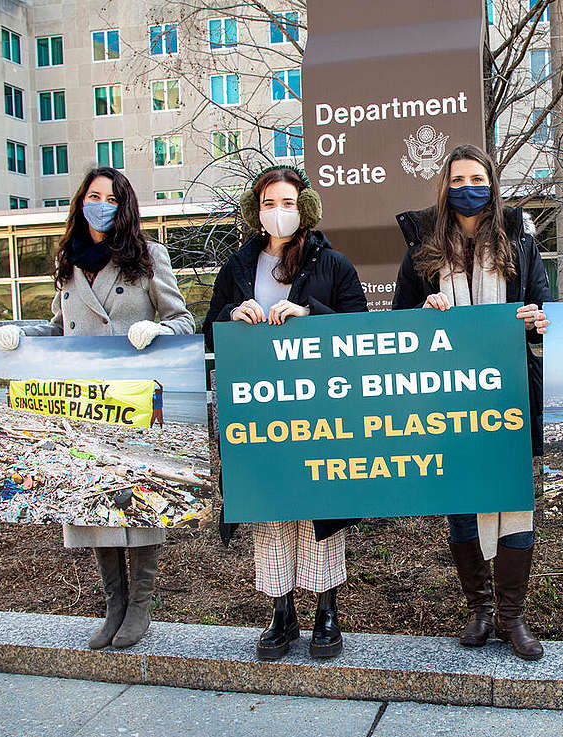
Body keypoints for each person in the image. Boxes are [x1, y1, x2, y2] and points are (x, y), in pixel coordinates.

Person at [0, 167, 195, 650]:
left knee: (139, 502)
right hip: (84, 404)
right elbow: (63, 326)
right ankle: (114, 605)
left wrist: (162, 332)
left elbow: (184, 318)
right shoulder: (69, 260)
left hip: (134, 402)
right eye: (92, 195)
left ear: (123, 206)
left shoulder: (148, 257)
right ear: (81, 202)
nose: (99, 203)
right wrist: (22, 335)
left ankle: (141, 605)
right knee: (94, 502)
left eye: (109, 197)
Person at [393, 144, 551, 661]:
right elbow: (398, 325)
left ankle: (513, 616)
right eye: (457, 178)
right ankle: (479, 608)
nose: (467, 186)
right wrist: (424, 309)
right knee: (461, 500)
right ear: (445, 186)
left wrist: (537, 322)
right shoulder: (422, 245)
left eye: (476, 176)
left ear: (492, 181)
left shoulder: (519, 240)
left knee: (513, 501)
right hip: (445, 398)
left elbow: (545, 312)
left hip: (509, 395)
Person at [203, 164, 367, 660]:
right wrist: (233, 316)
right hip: (258, 412)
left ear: (306, 208)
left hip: (320, 409)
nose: (279, 212)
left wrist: (310, 314)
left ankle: (326, 612)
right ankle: (282, 615)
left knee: (318, 509)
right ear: (256, 210)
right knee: (270, 509)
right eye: (269, 203)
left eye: (289, 203)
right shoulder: (235, 268)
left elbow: (360, 332)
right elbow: (208, 332)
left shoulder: (333, 264)